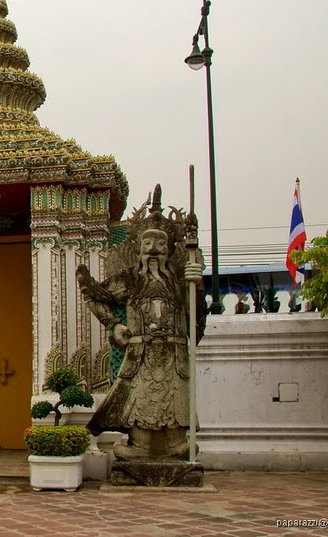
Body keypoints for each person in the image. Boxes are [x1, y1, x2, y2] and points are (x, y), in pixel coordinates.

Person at [76, 185, 205, 461]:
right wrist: (114, 325)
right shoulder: (131, 280)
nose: (154, 251)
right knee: (141, 399)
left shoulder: (179, 281)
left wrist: (197, 283)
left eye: (160, 245)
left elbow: (196, 315)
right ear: (138, 249)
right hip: (142, 354)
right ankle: (140, 445)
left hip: (173, 354)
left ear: (170, 249)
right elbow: (95, 296)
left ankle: (175, 444)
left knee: (174, 398)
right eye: (147, 244)